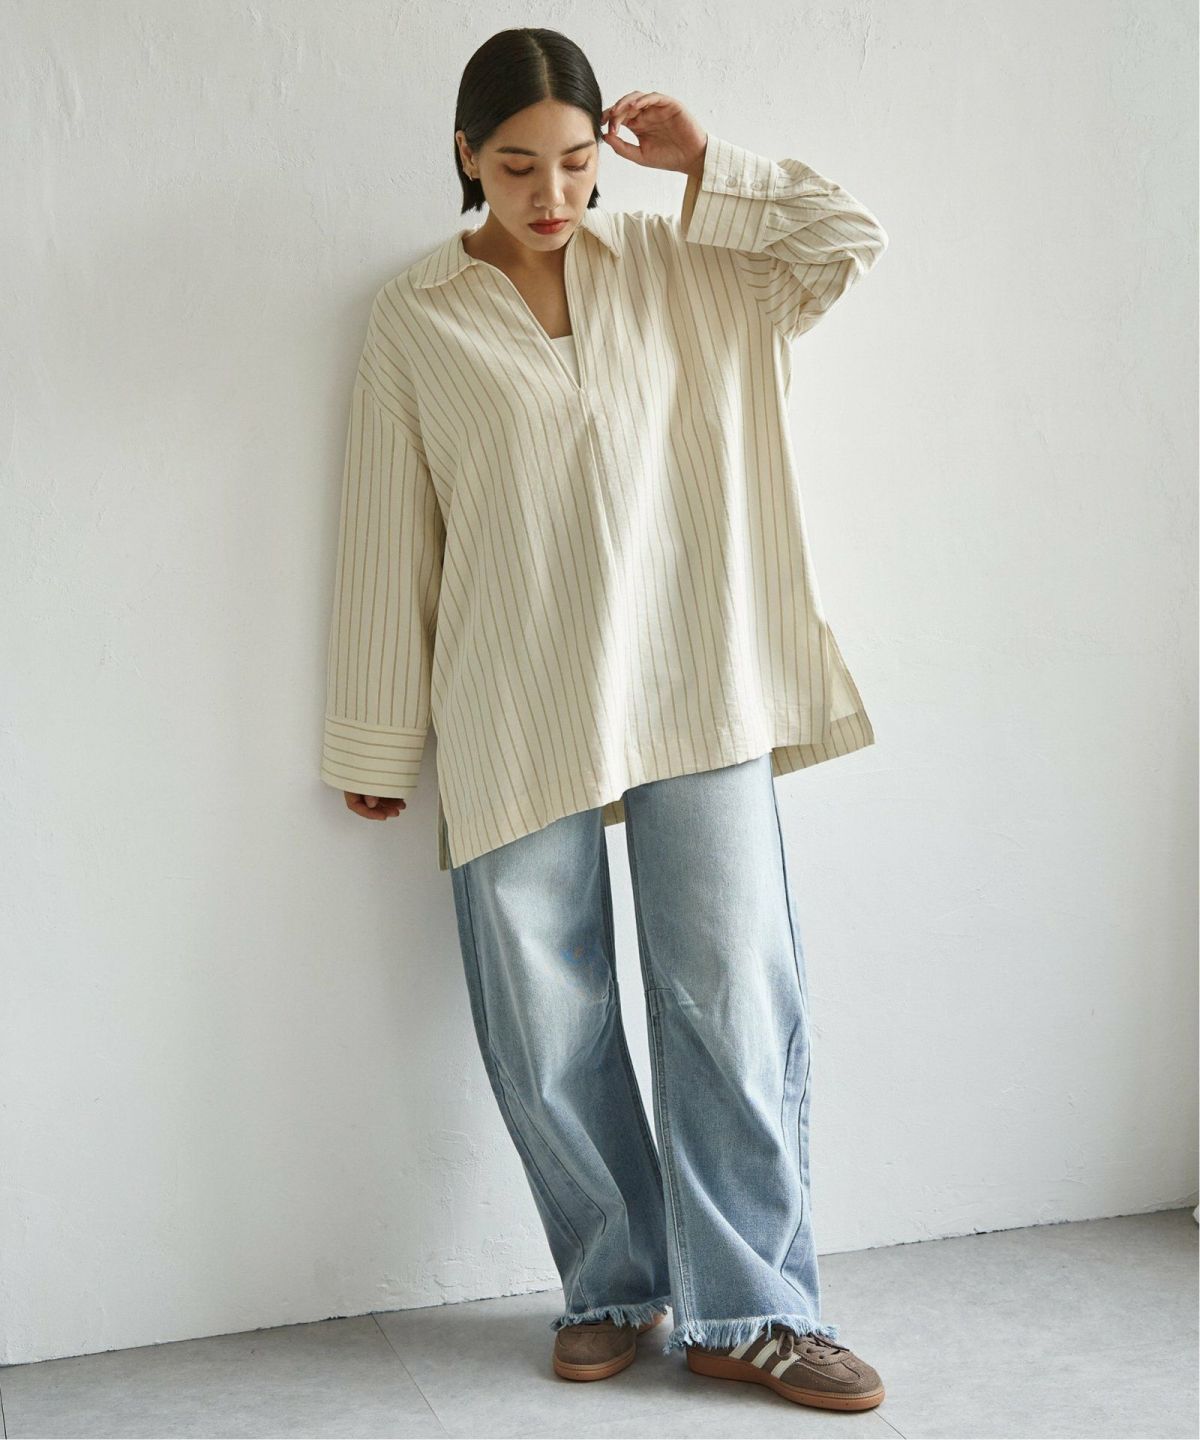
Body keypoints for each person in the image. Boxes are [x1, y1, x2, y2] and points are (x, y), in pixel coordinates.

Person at [321, 26, 888, 1413]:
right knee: (544, 1013)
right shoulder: (416, 317)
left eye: (576, 162)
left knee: (731, 993)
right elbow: (390, 536)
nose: (553, 192)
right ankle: (613, 1282)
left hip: (698, 675)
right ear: (467, 156)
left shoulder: (691, 265)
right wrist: (376, 738)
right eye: (518, 165)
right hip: (514, 700)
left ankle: (752, 1310)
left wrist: (702, 163)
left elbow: (846, 242)